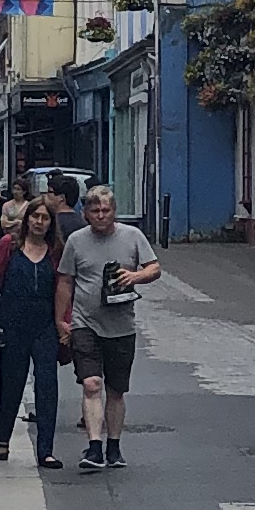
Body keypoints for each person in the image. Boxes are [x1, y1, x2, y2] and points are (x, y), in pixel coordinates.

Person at [57, 181, 162, 473]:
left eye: (106, 210)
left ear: (114, 211)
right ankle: (94, 447)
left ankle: (113, 446)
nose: (101, 215)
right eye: (95, 211)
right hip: (85, 322)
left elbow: (154, 268)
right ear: (86, 213)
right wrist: (60, 319)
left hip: (121, 325)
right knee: (91, 384)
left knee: (115, 390)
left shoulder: (133, 236)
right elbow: (65, 280)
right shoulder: (76, 241)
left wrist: (135, 276)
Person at [0, 191, 68, 468]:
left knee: (47, 386)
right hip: (13, 325)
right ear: (27, 219)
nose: (39, 222)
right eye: (35, 217)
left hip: (44, 326)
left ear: (51, 223)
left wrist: (64, 323)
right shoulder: (9, 244)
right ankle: (2, 441)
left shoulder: (56, 250)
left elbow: (64, 289)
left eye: (45, 218)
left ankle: (46, 450)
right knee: (11, 384)